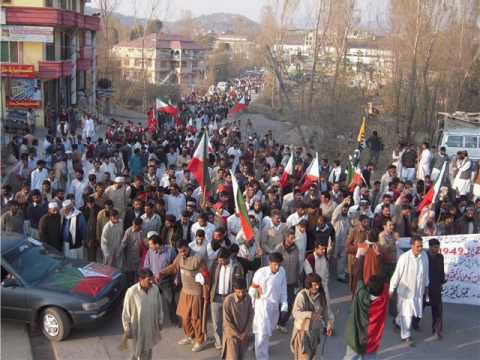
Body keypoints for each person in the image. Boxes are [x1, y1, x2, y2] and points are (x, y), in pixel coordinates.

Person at [157, 241, 210, 352]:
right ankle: (190, 336)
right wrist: (162, 273)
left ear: (188, 247)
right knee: (185, 318)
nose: (182, 253)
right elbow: (173, 267)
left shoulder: (198, 258)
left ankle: (200, 341)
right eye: (180, 251)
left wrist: (206, 294)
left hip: (196, 293)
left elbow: (206, 277)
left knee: (196, 319)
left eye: (184, 251)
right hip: (185, 291)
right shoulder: (180, 257)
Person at [344, 247, 389, 360]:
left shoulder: (361, 295)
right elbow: (383, 275)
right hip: (372, 341)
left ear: (368, 287)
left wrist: (362, 255)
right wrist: (378, 256)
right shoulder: (383, 299)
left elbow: (359, 275)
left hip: (355, 338)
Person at [389, 236, 429, 346]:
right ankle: (406, 336)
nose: (420, 248)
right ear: (412, 246)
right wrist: (391, 289)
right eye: (417, 246)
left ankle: (397, 322)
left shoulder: (424, 256)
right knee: (406, 314)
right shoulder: (404, 258)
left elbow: (426, 273)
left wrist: (426, 287)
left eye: (421, 246)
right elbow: (396, 275)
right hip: (405, 292)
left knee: (411, 312)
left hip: (418, 291)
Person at [248, 252, 288, 360]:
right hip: (262, 307)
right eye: (275, 264)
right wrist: (255, 301)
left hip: (274, 309)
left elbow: (283, 289)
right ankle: (261, 357)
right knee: (261, 334)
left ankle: (259, 350)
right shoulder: (260, 273)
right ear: (269, 262)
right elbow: (252, 291)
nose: (277, 267)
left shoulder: (282, 272)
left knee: (267, 334)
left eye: (279, 264)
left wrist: (284, 306)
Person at [122, 268, 164, 360]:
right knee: (136, 352)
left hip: (150, 327)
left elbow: (159, 307)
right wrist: (127, 328)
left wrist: (160, 321)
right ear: (141, 279)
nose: (151, 281)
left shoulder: (155, 289)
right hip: (137, 329)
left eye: (152, 279)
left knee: (148, 351)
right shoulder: (132, 292)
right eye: (149, 279)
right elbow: (126, 312)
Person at [290, 273, 334, 360]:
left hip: (315, 333)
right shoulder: (301, 295)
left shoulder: (321, 295)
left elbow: (325, 312)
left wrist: (329, 324)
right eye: (314, 285)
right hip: (302, 334)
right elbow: (295, 313)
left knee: (313, 357)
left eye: (318, 284)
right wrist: (309, 314)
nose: (317, 287)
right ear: (309, 285)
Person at [209, 247, 245, 350]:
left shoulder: (237, 267)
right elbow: (211, 279)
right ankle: (219, 342)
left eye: (222, 260)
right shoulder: (215, 265)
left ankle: (230, 341)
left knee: (230, 322)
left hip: (229, 298)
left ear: (228, 258)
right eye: (219, 260)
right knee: (216, 323)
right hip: (216, 298)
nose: (220, 262)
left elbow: (240, 284)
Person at [275, 227, 301, 333]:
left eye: (294, 237)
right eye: (291, 237)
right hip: (280, 281)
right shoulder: (279, 248)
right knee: (278, 303)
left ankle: (282, 322)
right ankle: (276, 320)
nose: (293, 239)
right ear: (286, 237)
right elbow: (273, 264)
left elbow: (298, 264)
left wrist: (298, 278)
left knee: (290, 303)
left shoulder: (296, 248)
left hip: (292, 281)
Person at [222, 278, 254, 360]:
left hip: (244, 335)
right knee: (232, 357)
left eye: (243, 291)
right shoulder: (228, 300)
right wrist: (238, 335)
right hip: (232, 336)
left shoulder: (248, 298)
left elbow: (251, 316)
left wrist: (245, 332)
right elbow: (227, 322)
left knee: (243, 357)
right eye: (239, 292)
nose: (241, 294)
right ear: (234, 290)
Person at [426, 238, 446, 340]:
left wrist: (442, 281)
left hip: (436, 286)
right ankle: (411, 323)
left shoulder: (440, 257)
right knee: (418, 308)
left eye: (438, 247)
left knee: (437, 309)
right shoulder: (424, 257)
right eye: (435, 247)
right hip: (425, 287)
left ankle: (437, 330)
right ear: (430, 247)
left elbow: (441, 270)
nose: (437, 249)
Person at [122, 218, 145, 284]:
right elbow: (124, 243)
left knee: (139, 273)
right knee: (130, 274)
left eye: (136, 226)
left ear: (140, 225)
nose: (134, 227)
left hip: (139, 256)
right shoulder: (128, 231)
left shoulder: (142, 231)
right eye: (133, 225)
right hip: (130, 256)